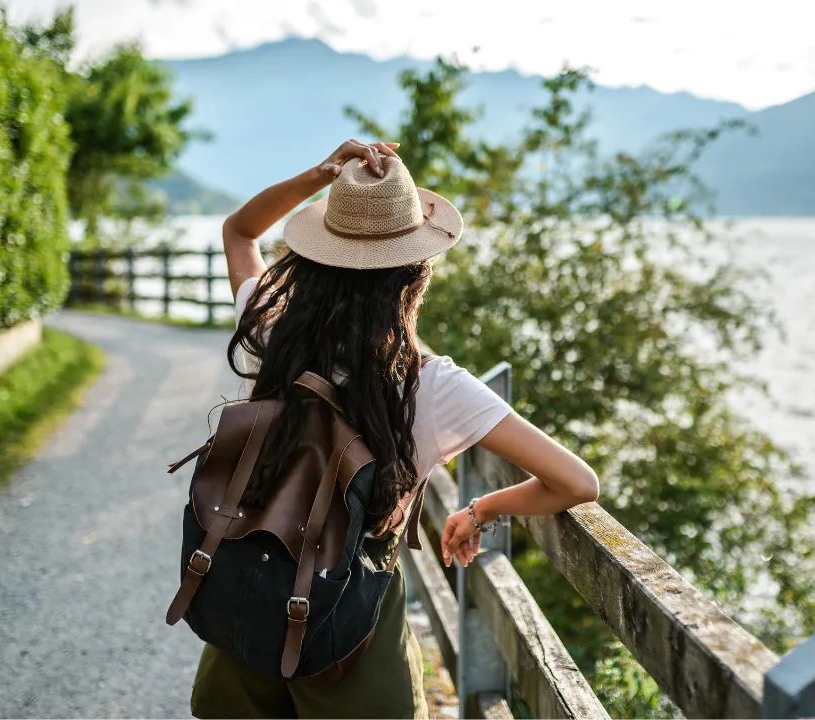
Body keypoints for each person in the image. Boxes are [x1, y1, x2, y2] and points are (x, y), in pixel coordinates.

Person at [189, 139, 599, 719]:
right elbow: (575, 482)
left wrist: (322, 175)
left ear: (313, 259)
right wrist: (478, 510)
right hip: (351, 621)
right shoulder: (433, 386)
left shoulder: (272, 332)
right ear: (416, 274)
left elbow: (239, 231)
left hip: (250, 595)